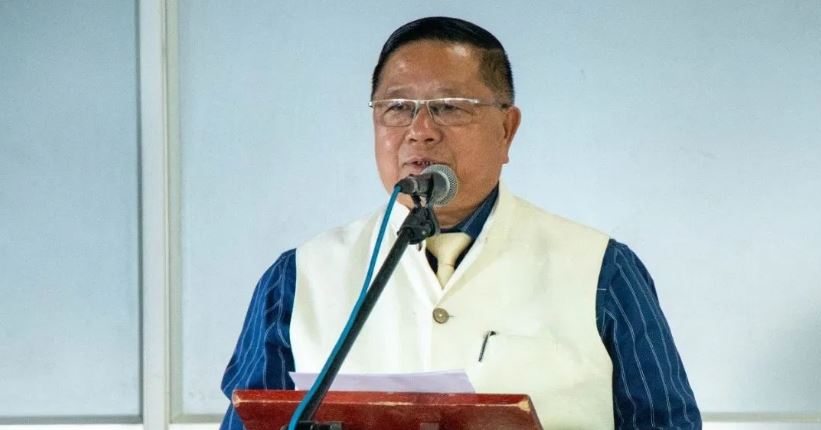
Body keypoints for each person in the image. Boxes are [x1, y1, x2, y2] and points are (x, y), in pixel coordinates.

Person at [220, 17, 701, 430]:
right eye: (397, 107)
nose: (420, 130)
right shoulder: (298, 277)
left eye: (449, 106)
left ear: (507, 129)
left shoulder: (602, 270)